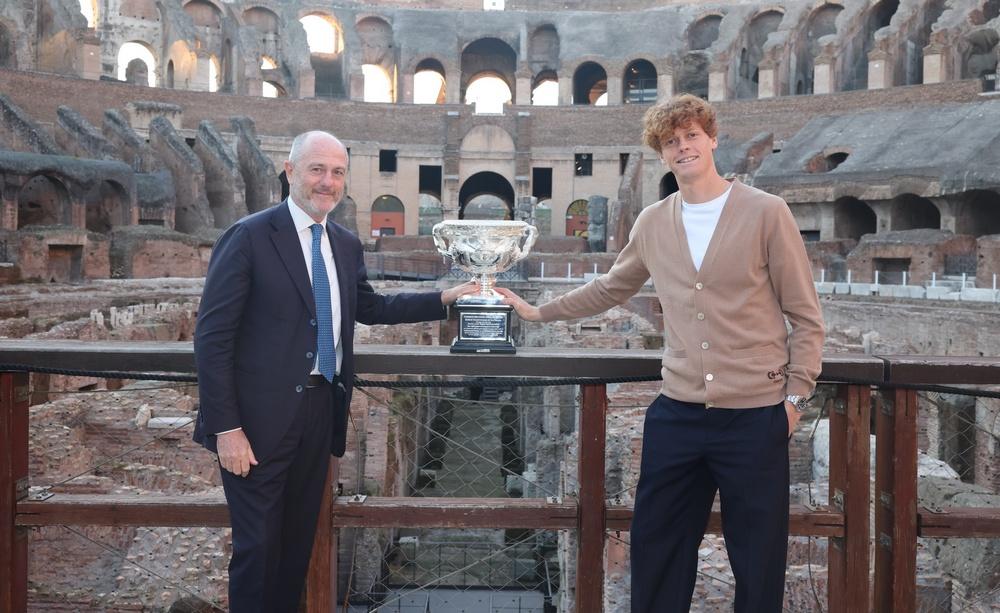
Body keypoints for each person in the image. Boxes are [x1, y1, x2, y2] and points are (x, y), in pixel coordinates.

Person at [497, 94, 824, 612]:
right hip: (678, 415)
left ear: (712, 139)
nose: (683, 147)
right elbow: (610, 288)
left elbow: (805, 316)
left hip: (756, 416)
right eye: (671, 141)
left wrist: (794, 401)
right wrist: (539, 312)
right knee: (656, 552)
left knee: (758, 561)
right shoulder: (653, 221)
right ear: (662, 154)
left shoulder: (766, 213)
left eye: (692, 135)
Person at [193, 130, 475, 612]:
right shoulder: (250, 236)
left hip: (321, 411)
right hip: (257, 422)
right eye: (317, 169)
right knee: (257, 548)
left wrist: (444, 297)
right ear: (290, 171)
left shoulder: (343, 242)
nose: (328, 181)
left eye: (338, 172)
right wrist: (227, 428)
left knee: (296, 545)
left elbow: (368, 306)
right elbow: (212, 336)